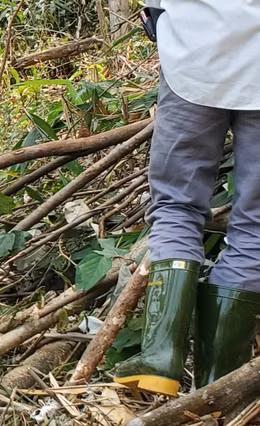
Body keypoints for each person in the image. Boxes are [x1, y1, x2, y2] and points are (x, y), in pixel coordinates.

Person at [113, 2, 260, 397]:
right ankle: (220, 387)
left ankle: (161, 357)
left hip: (195, 53)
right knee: (256, 226)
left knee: (176, 206)